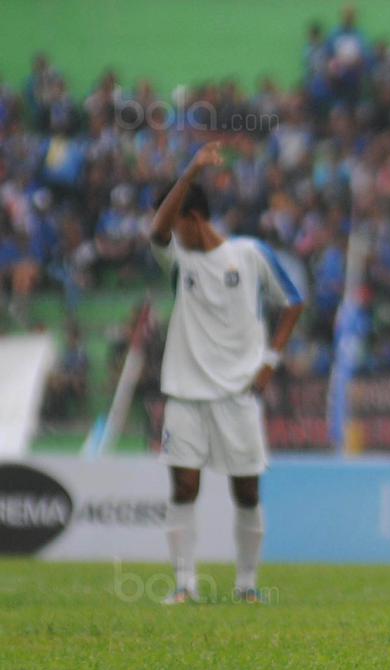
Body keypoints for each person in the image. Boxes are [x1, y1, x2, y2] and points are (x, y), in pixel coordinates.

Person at [148, 142, 304, 604]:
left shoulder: (250, 254)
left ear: (194, 218)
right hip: (185, 393)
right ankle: (184, 585)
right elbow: (156, 232)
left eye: (177, 219)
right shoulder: (179, 261)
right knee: (184, 486)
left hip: (238, 394)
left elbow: (293, 302)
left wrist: (270, 361)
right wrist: (191, 170)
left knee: (247, 491)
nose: (170, 229)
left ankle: (247, 586)